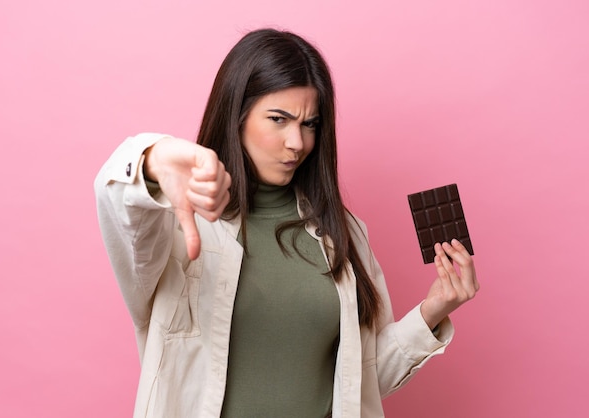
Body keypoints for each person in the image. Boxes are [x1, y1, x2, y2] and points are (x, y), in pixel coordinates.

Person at [94, 28, 479, 418]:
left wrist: (432, 311)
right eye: (278, 119)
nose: (297, 142)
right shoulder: (175, 224)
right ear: (237, 115)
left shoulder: (343, 232)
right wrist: (153, 161)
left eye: (309, 124)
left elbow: (358, 382)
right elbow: (115, 200)